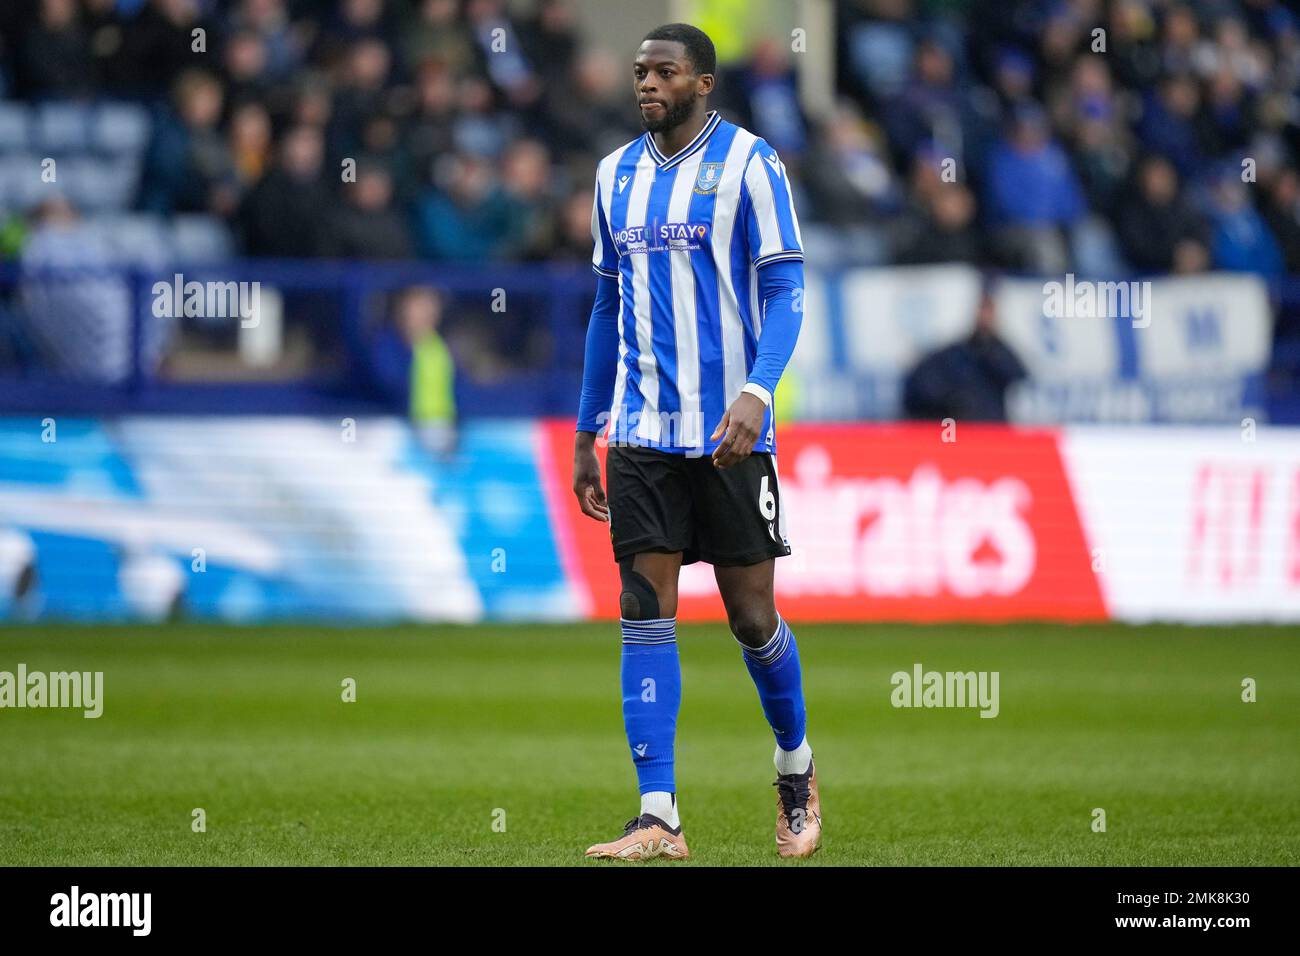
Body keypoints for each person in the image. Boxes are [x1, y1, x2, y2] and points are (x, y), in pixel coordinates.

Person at [572, 23, 820, 861]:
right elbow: (607, 308)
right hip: (641, 433)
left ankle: (795, 766)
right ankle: (659, 815)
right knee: (644, 613)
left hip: (729, 433)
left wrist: (758, 390)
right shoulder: (612, 176)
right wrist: (585, 429)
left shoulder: (753, 165)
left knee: (752, 619)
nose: (646, 83)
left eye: (664, 71)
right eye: (639, 71)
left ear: (703, 83)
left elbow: (785, 291)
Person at [902, 277, 1027, 422]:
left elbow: (1018, 375)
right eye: (982, 310)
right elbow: (924, 387)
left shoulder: (999, 349)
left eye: (989, 311)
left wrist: (990, 350)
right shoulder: (956, 353)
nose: (985, 317)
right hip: (963, 430)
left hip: (992, 429)